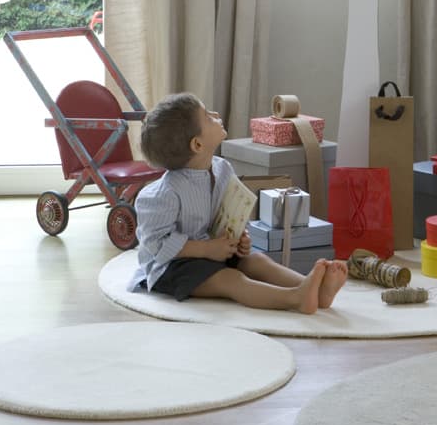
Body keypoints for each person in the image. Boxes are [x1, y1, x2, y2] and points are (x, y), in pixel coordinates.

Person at [128, 92, 347, 314]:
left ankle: (315, 289)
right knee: (230, 279)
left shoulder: (222, 169)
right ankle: (295, 298)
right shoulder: (162, 195)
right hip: (172, 266)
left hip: (214, 248)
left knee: (256, 260)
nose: (216, 115)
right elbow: (157, 244)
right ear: (197, 144)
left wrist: (240, 237)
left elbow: (229, 213)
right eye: (208, 117)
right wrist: (206, 249)